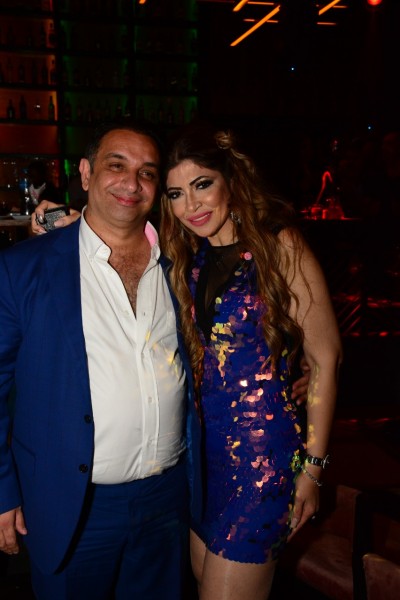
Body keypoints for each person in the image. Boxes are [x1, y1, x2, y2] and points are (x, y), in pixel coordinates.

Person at [0, 120, 204, 600]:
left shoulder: (183, 263)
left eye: (147, 172)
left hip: (168, 499)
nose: (132, 183)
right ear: (86, 173)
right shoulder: (23, 267)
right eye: (117, 165)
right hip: (71, 503)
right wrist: (3, 491)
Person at [159, 124, 343, 600]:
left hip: (263, 463)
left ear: (230, 180)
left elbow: (325, 359)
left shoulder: (280, 244)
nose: (191, 205)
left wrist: (314, 468)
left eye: (202, 185)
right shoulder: (188, 257)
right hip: (204, 464)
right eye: (176, 194)